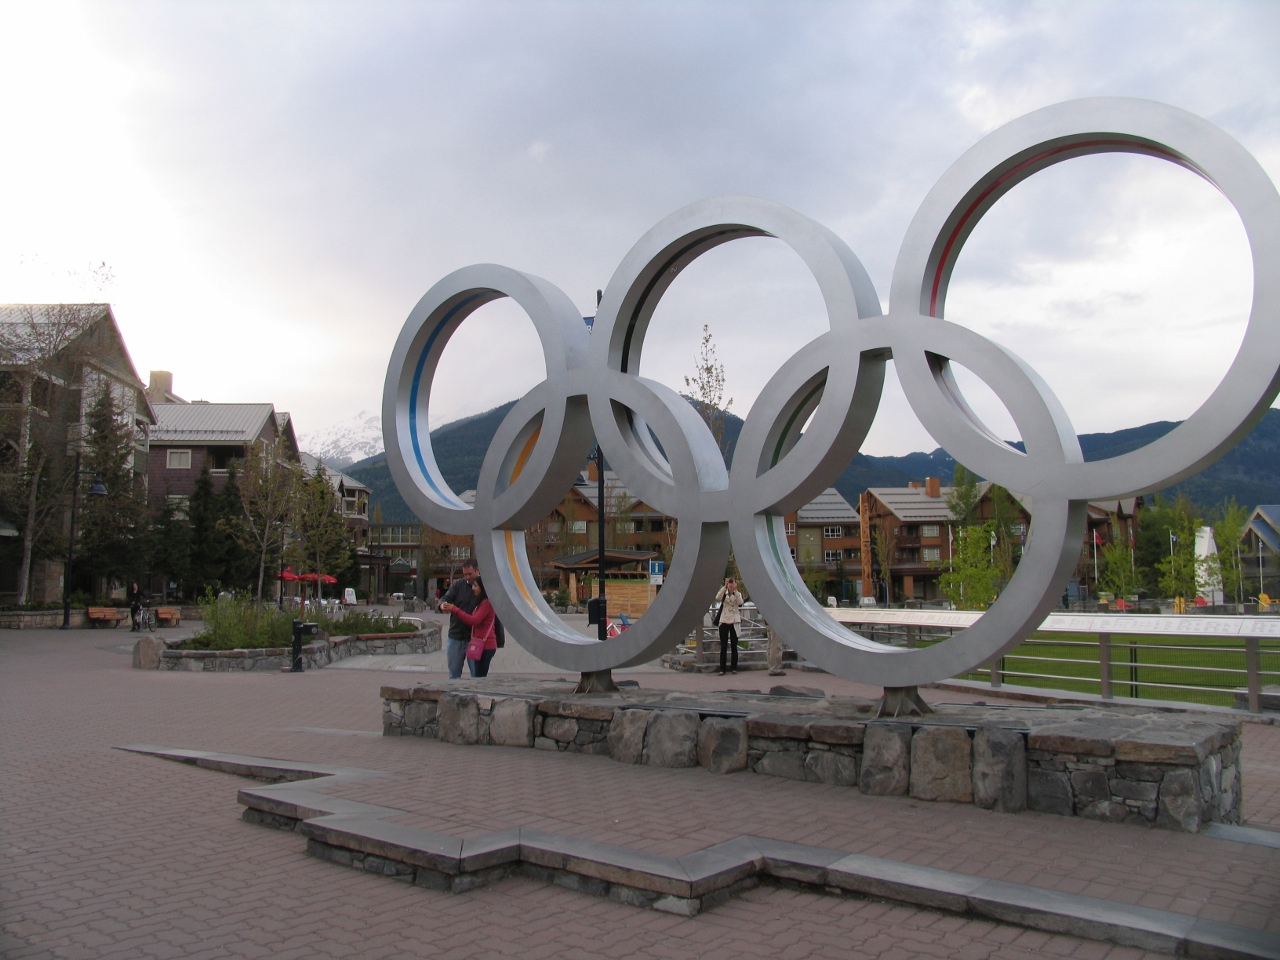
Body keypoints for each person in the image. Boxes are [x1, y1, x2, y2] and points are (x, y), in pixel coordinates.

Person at [440, 575, 497, 678]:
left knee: (478, 676)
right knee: (473, 674)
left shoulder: (487, 603)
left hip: (485, 645)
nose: (473, 588)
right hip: (473, 641)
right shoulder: (481, 602)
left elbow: (474, 620)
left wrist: (454, 609)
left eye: (475, 586)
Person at [440, 561, 480, 679]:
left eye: (470, 574)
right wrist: (442, 605)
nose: (467, 577)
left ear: (478, 571)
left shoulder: (484, 587)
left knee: (476, 675)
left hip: (474, 638)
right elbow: (445, 598)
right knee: (454, 674)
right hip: (455, 636)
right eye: (465, 574)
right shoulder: (458, 585)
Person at [715, 577, 745, 676]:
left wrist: (735, 590)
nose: (731, 585)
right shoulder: (724, 593)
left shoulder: (737, 594)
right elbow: (717, 597)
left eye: (732, 583)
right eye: (730, 583)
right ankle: (722, 668)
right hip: (724, 620)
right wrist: (724, 587)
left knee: (734, 646)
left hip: (734, 621)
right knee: (723, 646)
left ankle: (734, 667)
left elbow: (740, 602)